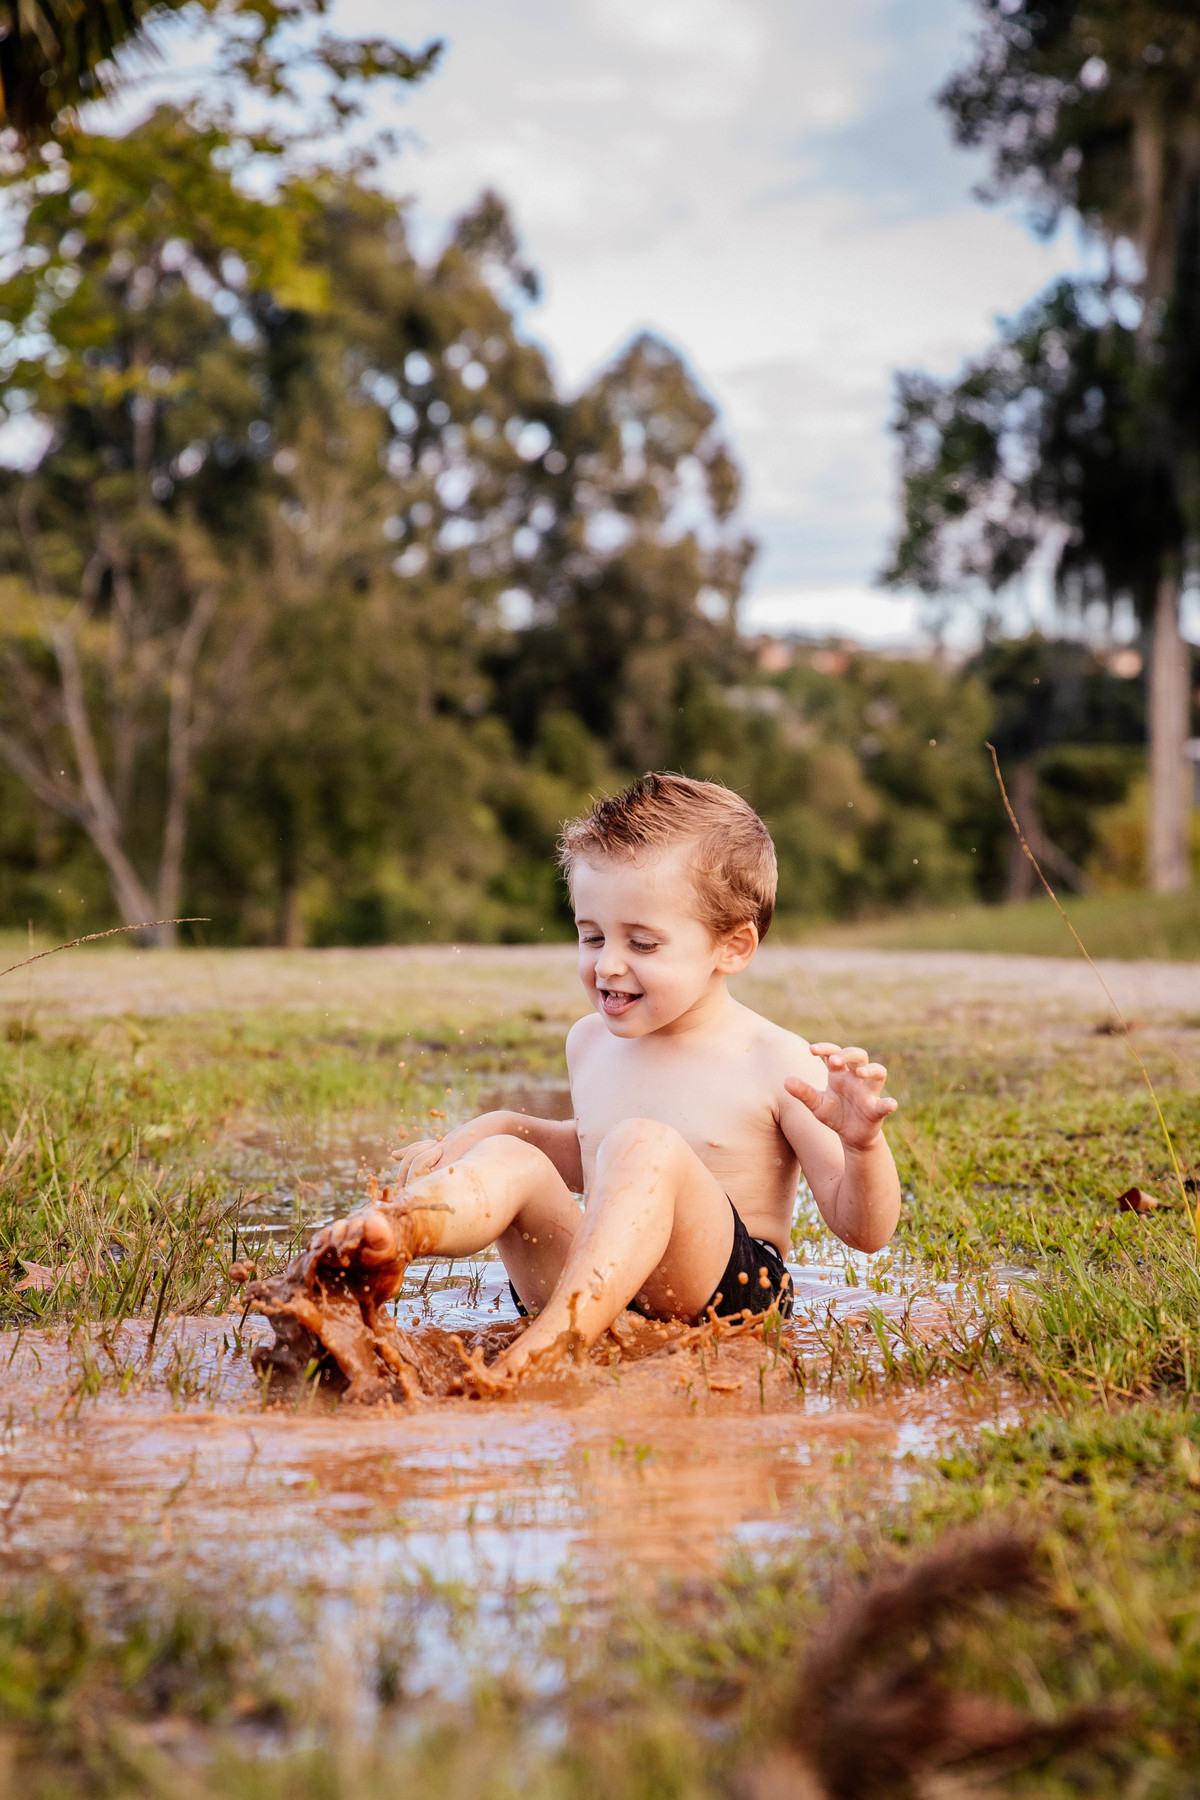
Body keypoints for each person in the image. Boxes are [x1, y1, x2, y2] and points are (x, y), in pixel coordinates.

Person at [311, 773, 900, 1379]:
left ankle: (551, 1348)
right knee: (510, 1149)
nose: (608, 965)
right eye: (590, 936)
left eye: (642, 943)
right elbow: (593, 1156)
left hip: (727, 1299)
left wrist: (862, 1144)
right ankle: (391, 1231)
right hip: (591, 1275)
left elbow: (864, 1231)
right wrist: (501, 1129)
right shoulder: (590, 1040)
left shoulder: (777, 1060)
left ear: (733, 947)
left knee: (641, 1142)